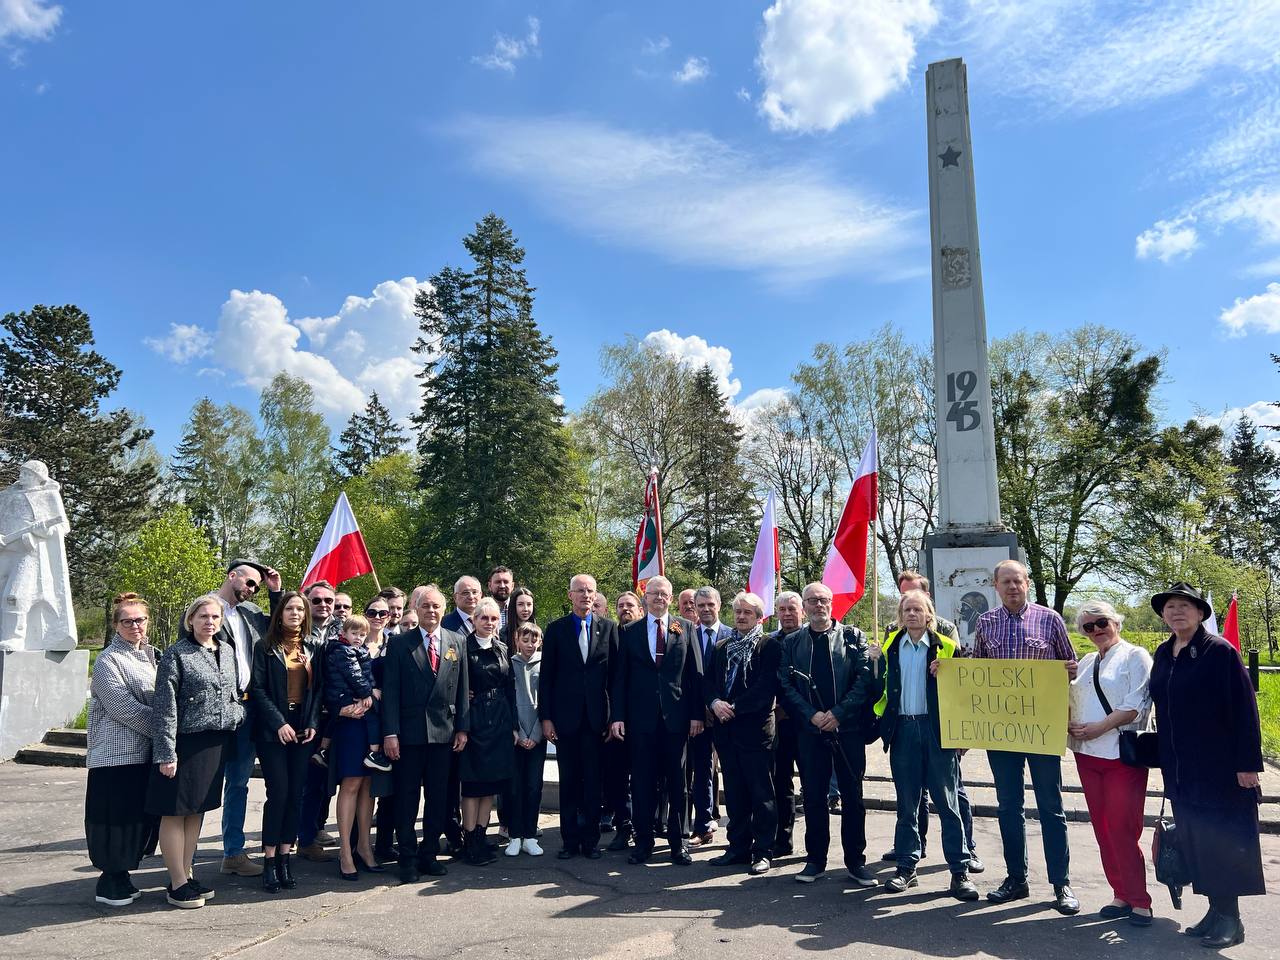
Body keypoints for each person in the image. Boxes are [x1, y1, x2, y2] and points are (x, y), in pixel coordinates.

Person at [1149, 582, 1264, 949]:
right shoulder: (1165, 653)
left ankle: (1232, 921)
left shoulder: (1220, 652)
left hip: (1220, 768)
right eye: (1170, 607)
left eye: (1185, 605)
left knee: (1222, 842)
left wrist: (1248, 765)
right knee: (1197, 842)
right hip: (1182, 770)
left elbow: (1245, 711)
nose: (1176, 611)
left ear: (1200, 613)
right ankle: (1215, 913)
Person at [973, 559, 1078, 914]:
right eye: (1006, 582)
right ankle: (1016, 879)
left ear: (1027, 583)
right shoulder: (985, 622)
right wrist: (948, 670)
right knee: (1008, 808)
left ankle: (1061, 884)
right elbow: (975, 673)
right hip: (1001, 731)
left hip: (1041, 730)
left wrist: (1070, 671)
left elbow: (1071, 667)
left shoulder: (1050, 619)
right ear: (996, 585)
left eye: (1018, 581)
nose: (1012, 587)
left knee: (1052, 808)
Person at [180, 559, 281, 878]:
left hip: (247, 709)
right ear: (231, 576)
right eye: (249, 582)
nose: (253, 589)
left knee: (238, 782)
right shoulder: (206, 609)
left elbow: (280, 627)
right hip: (211, 711)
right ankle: (186, 859)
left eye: (257, 586)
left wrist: (276, 592)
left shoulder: (251, 614)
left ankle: (233, 853)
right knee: (199, 782)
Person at [874, 590, 978, 900]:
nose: (911, 614)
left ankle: (959, 872)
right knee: (907, 805)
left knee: (948, 805)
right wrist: (871, 660)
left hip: (937, 733)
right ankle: (907, 867)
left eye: (918, 609)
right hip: (903, 731)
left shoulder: (946, 647)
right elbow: (877, 686)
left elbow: (964, 693)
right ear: (900, 616)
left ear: (929, 615)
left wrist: (950, 674)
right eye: (906, 609)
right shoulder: (890, 647)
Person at [777, 581, 879, 885]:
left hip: (847, 730)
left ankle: (855, 862)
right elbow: (785, 685)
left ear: (831, 603)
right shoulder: (792, 642)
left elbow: (863, 681)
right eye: (812, 601)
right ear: (804, 607)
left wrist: (838, 714)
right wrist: (812, 716)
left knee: (852, 797)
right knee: (813, 798)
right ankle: (815, 860)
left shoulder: (852, 637)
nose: (818, 606)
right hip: (810, 731)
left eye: (823, 600)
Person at [146, 595, 245, 908]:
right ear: (190, 620)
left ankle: (186, 874)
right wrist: (166, 752)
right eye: (203, 616)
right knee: (175, 811)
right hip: (183, 743)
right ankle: (176, 882)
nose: (209, 622)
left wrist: (237, 714)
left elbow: (233, 693)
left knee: (196, 810)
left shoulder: (226, 650)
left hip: (215, 743)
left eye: (215, 617)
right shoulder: (177, 653)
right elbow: (165, 707)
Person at [1066, 600, 1153, 926]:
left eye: (1101, 622)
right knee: (1102, 829)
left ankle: (1140, 899)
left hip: (1121, 755)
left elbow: (1138, 703)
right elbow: (1074, 698)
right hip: (1087, 755)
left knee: (1122, 828)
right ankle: (1120, 893)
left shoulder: (1135, 656)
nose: (1096, 630)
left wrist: (1100, 727)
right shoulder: (1086, 661)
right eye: (1088, 626)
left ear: (1115, 621)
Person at [610, 575, 703, 866]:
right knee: (642, 782)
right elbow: (620, 679)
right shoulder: (629, 631)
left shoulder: (685, 628)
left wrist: (697, 715)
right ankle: (643, 842)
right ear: (644, 597)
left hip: (676, 720)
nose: (659, 598)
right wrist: (618, 717)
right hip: (640, 722)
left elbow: (694, 677)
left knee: (678, 784)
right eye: (653, 594)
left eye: (664, 594)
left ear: (671, 598)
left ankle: (679, 842)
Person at [382, 584, 470, 882]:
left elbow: (462, 690)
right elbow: (391, 693)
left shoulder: (456, 640)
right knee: (406, 799)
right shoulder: (399, 644)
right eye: (425, 606)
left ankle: (428, 853)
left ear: (443, 610)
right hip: (409, 735)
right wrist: (390, 733)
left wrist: (463, 728)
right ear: (415, 608)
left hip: (444, 735)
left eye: (436, 606)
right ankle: (406, 857)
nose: (431, 611)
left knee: (438, 798)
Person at [84, 593, 160, 907]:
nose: (134, 626)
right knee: (113, 819)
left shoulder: (153, 656)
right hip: (115, 757)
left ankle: (123, 876)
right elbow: (124, 709)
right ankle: (110, 880)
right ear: (116, 625)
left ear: (148, 622)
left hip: (145, 754)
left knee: (136, 818)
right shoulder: (108, 660)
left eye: (139, 619)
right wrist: (167, 729)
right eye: (126, 621)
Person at [249, 590, 322, 893]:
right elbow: (257, 689)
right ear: (279, 613)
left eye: (300, 610)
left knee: (295, 794)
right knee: (278, 792)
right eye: (290, 609)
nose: (295, 614)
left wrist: (314, 725)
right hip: (273, 729)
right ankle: (268, 861)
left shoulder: (314, 646)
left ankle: (284, 858)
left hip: (304, 729)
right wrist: (278, 723)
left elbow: (318, 691)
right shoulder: (265, 647)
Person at [703, 591, 781, 875]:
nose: (741, 616)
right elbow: (708, 681)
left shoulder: (768, 646)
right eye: (737, 612)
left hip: (755, 731)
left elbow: (766, 687)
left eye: (747, 612)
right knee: (734, 794)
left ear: (759, 617)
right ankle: (737, 847)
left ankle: (763, 851)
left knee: (761, 793)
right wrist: (714, 702)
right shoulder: (722, 646)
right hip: (726, 733)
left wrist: (734, 707)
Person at [540, 574, 616, 860]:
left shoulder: (609, 629)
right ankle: (569, 840)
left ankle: (591, 840)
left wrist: (614, 717)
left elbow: (615, 678)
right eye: (580, 591)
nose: (586, 595)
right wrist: (546, 718)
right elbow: (546, 678)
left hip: (597, 721)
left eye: (590, 591)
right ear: (570, 595)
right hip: (566, 720)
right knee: (569, 781)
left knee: (593, 783)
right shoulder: (557, 630)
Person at [324, 614, 386, 880]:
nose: (359, 636)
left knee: (368, 786)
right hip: (350, 721)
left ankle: (364, 845)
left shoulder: (367, 649)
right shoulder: (340, 650)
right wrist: (368, 694)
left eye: (362, 633)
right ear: (344, 632)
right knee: (351, 783)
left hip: (369, 722)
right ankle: (345, 851)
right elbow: (351, 678)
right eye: (354, 632)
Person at [458, 597, 514, 865]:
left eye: (494, 619)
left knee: (490, 784)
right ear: (474, 620)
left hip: (499, 720)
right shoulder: (462, 647)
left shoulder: (502, 647)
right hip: (475, 719)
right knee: (472, 786)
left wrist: (513, 725)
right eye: (484, 618)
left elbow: (509, 686)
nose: (489, 623)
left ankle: (482, 836)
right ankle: (470, 840)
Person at [689, 586, 732, 846]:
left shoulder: (733, 635)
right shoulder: (686, 635)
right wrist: (699, 710)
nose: (705, 609)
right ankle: (702, 826)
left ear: (718, 605)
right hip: (698, 717)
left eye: (710, 604)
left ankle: (738, 829)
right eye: (700, 605)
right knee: (701, 771)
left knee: (733, 770)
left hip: (727, 715)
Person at [603, 591, 644, 851]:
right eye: (620, 606)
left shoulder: (645, 635)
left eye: (630, 605)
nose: (625, 609)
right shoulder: (610, 635)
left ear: (640, 610)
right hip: (614, 720)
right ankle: (624, 826)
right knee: (616, 778)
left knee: (643, 777)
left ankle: (644, 826)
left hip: (644, 718)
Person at [504, 621, 546, 856]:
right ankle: (514, 835)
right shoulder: (509, 665)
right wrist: (517, 732)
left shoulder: (545, 665)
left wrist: (536, 734)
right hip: (515, 736)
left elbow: (547, 700)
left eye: (534, 640)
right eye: (525, 640)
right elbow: (509, 701)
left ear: (540, 642)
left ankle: (530, 835)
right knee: (514, 788)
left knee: (533, 787)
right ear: (517, 641)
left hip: (537, 736)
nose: (530, 645)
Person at [770, 590, 803, 857]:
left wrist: (789, 708)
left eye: (792, 609)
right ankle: (783, 840)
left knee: (814, 788)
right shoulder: (768, 642)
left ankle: (817, 847)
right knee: (781, 784)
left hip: (805, 724)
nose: (787, 614)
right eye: (782, 610)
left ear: (801, 611)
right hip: (775, 725)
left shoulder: (811, 639)